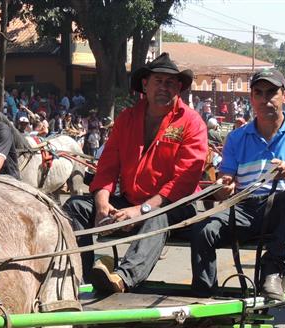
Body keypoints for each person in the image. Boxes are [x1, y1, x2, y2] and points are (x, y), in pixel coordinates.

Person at [63, 53, 207, 294]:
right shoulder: (126, 119)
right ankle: (82, 278)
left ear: (179, 88)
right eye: (158, 81)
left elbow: (184, 181)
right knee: (75, 206)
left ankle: (123, 278)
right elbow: (107, 167)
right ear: (145, 85)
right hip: (130, 203)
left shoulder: (192, 122)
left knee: (156, 215)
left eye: (170, 83)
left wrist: (142, 210)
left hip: (174, 206)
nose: (164, 87)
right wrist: (102, 205)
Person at [188, 68, 285, 300]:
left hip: (284, 213)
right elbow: (225, 183)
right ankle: (203, 295)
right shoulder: (236, 138)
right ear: (251, 98)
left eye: (271, 92)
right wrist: (224, 186)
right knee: (203, 230)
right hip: (245, 208)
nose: (265, 99)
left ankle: (273, 271)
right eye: (258, 93)